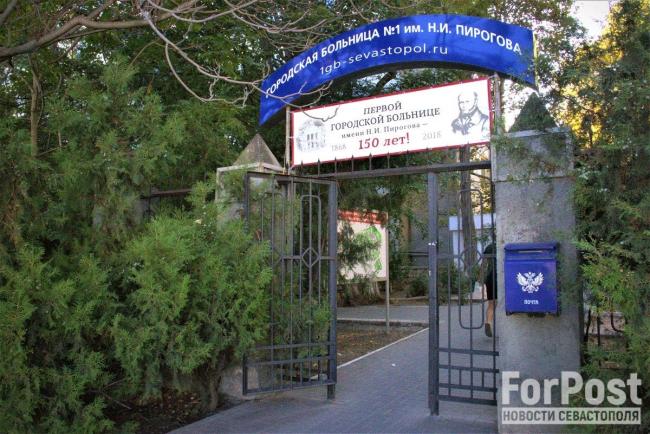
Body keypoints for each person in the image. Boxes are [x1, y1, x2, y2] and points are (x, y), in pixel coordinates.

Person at [480, 242, 497, 337]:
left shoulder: (489, 247)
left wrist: (481, 279)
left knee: (491, 304)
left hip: (490, 277)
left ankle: (488, 322)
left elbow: (483, 264)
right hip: (500, 277)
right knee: (504, 303)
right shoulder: (502, 246)